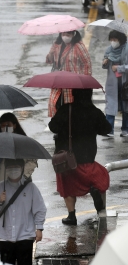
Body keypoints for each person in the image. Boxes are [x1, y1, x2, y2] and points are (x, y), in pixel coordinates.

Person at [48, 89, 112, 226]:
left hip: (67, 161)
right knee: (101, 176)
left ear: (73, 94)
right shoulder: (94, 111)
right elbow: (107, 129)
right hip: (87, 158)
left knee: (67, 186)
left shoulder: (66, 109)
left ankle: (71, 215)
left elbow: (52, 126)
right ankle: (96, 196)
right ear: (90, 94)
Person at [46, 30, 92, 117]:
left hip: (73, 84)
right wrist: (51, 53)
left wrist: (85, 81)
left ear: (73, 34)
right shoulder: (57, 45)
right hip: (58, 82)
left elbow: (87, 63)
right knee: (55, 104)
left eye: (68, 34)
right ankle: (60, 125)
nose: (65, 36)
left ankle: (69, 127)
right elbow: (50, 61)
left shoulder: (78, 46)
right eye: (63, 33)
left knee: (71, 107)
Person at [0, 113, 38, 184]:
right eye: (3, 125)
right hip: (3, 182)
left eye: (8, 125)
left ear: (14, 125)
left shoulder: (24, 142)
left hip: (21, 181)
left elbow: (32, 161)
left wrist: (22, 175)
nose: (5, 128)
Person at [103, 30, 128, 137]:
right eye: (111, 40)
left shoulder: (126, 49)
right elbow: (104, 66)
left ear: (120, 40)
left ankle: (125, 129)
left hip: (125, 83)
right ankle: (109, 129)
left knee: (126, 105)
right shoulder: (109, 50)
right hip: (112, 83)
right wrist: (105, 62)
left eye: (115, 40)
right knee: (110, 105)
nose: (113, 42)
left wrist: (119, 68)